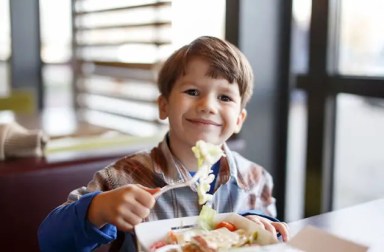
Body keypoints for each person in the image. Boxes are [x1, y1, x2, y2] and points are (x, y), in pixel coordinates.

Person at [38, 36, 289, 252]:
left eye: (224, 97)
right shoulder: (123, 178)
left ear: (239, 120)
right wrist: (98, 209)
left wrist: (259, 224)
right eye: (192, 92)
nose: (208, 106)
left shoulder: (255, 180)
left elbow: (272, 238)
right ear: (164, 105)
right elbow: (50, 242)